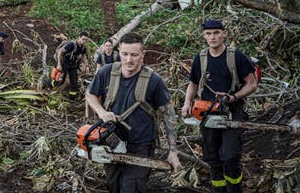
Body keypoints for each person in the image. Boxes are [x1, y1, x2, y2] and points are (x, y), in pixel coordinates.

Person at [88, 32, 181, 193]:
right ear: (119, 53)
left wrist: (173, 151)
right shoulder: (106, 72)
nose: (129, 60)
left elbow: (169, 114)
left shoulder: (154, 80)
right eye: (124, 54)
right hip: (112, 142)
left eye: (134, 55)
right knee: (114, 186)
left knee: (132, 188)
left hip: (141, 145)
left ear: (142, 54)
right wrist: (101, 111)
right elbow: (90, 94)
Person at [181, 19, 257, 193]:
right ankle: (219, 190)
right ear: (204, 36)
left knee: (229, 157)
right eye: (208, 34)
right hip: (207, 113)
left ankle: (235, 188)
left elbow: (252, 84)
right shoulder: (200, 58)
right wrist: (187, 104)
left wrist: (233, 97)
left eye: (216, 32)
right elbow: (192, 83)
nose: (212, 37)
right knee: (212, 157)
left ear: (224, 33)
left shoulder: (236, 56)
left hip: (233, 112)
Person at [55, 32, 89, 100]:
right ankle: (48, 85)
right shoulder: (71, 44)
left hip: (73, 65)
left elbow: (83, 56)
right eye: (83, 39)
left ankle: (71, 99)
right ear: (79, 37)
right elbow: (60, 52)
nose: (84, 41)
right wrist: (59, 64)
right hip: (64, 63)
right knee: (60, 80)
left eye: (86, 40)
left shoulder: (83, 47)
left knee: (74, 83)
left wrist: (87, 66)